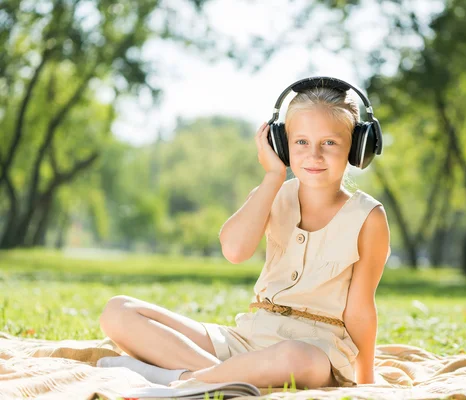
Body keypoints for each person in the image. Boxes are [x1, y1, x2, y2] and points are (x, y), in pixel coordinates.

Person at [96, 77, 391, 390]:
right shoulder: (272, 192)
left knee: (293, 358)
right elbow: (234, 251)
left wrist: (367, 382)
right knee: (118, 311)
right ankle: (208, 378)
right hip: (247, 336)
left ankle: (179, 378)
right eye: (300, 142)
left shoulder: (368, 217)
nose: (313, 155)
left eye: (329, 143)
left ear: (358, 147)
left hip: (316, 352)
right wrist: (273, 175)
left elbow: (360, 311)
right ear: (281, 143)